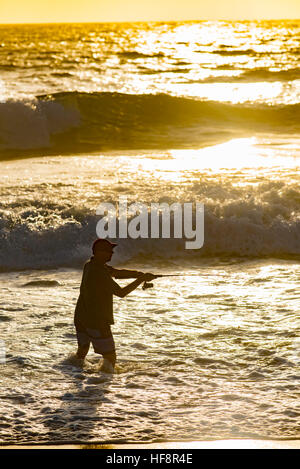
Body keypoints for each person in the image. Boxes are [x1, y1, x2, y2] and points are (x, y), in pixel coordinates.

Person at [74, 238, 157, 373]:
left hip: (81, 317)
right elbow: (121, 293)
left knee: (81, 353)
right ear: (99, 252)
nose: (112, 253)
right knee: (110, 357)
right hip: (96, 320)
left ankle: (75, 375)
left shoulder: (90, 265)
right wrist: (140, 280)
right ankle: (101, 385)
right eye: (108, 251)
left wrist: (139, 274)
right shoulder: (100, 272)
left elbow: (116, 273)